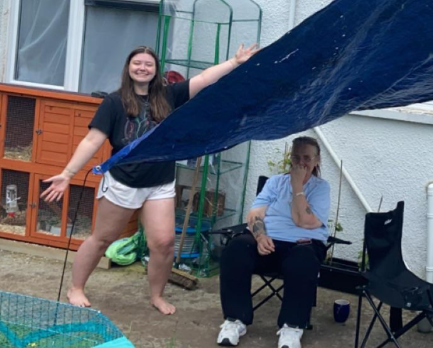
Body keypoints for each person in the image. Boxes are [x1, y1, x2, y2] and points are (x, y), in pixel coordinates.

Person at [41, 43, 259, 315]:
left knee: (164, 243)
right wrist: (67, 174)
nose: (142, 68)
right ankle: (76, 287)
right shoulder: (114, 102)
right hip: (124, 182)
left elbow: (203, 79)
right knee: (102, 239)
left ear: (155, 71)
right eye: (137, 63)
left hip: (160, 182)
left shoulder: (169, 95)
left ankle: (156, 295)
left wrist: (235, 62)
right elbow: (92, 139)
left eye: (148, 64)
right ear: (128, 68)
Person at [217, 136, 331, 348]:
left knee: (303, 260)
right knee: (236, 248)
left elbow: (303, 221)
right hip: (268, 242)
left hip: (302, 244)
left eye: (306, 157)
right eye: (296, 157)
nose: (301, 162)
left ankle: (292, 326)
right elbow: (254, 214)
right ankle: (235, 320)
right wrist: (260, 236)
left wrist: (297, 185)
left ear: (317, 161)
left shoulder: (321, 188)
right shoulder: (275, 182)